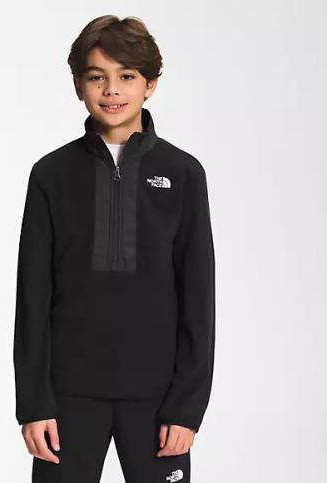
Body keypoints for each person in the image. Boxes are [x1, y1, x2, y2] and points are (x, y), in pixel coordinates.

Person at [13, 14, 215, 483]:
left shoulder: (184, 174)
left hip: (158, 400)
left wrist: (187, 406)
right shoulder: (51, 175)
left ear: (150, 85)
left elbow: (199, 299)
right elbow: (32, 298)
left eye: (126, 76)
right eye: (96, 77)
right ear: (77, 85)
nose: (111, 90)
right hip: (67, 397)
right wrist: (34, 403)